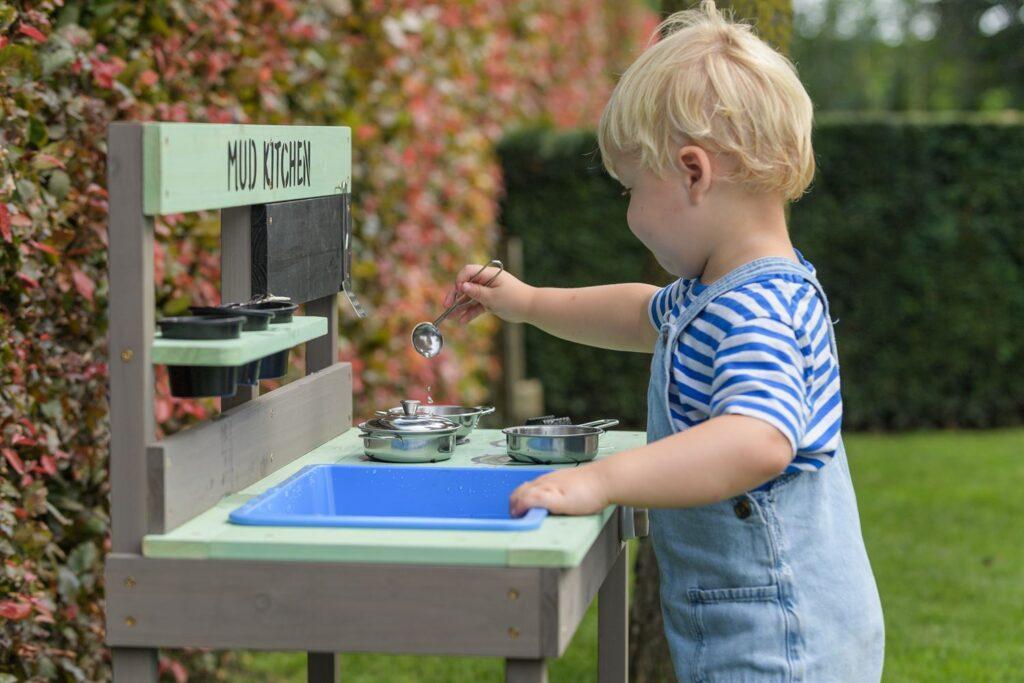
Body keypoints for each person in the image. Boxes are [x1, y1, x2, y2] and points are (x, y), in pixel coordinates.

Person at [446, 2, 885, 680]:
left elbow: (757, 437)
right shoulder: (726, 291)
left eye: (630, 187)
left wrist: (602, 480)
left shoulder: (755, 309)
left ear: (692, 172)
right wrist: (528, 303)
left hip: (776, 641)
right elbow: (643, 313)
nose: (627, 213)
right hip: (764, 626)